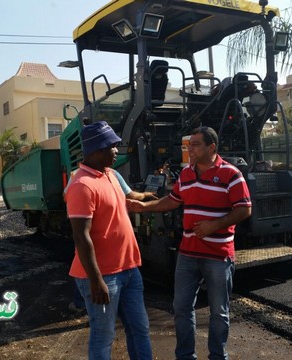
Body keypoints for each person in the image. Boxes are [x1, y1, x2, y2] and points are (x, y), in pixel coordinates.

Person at [127, 126, 252, 360]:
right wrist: (145, 207)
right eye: (188, 145)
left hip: (218, 254)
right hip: (188, 253)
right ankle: (185, 356)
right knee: (182, 309)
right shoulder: (186, 174)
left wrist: (213, 226)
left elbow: (244, 209)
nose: (189, 149)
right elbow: (173, 200)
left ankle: (218, 356)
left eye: (195, 145)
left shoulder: (231, 174)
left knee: (219, 312)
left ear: (211, 147)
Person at [65, 120, 152, 359]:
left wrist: (152, 196)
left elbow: (130, 198)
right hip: (103, 276)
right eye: (112, 146)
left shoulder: (111, 175)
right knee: (104, 336)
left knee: (140, 329)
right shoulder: (82, 185)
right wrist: (96, 281)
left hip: (129, 270)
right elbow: (81, 237)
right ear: (97, 149)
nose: (116, 151)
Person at [65, 170, 157, 315]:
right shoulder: (112, 174)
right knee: (103, 329)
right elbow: (131, 195)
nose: (114, 151)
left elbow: (66, 196)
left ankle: (79, 303)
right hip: (107, 251)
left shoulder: (75, 175)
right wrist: (146, 195)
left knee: (84, 263)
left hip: (88, 234)